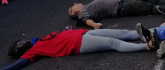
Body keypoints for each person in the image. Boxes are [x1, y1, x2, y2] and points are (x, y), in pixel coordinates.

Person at [4, 28, 154, 69]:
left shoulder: (39, 39)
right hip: (79, 44)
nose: (22, 42)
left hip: (83, 33)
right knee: (113, 42)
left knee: (123, 33)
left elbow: (58, 36)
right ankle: (146, 46)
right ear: (21, 50)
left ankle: (155, 32)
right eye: (19, 45)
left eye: (20, 41)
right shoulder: (32, 52)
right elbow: (17, 65)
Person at [68, 0, 165, 29]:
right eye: (74, 5)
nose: (76, 3)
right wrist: (94, 25)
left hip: (122, 1)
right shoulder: (82, 13)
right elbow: (86, 20)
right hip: (120, 7)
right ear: (73, 12)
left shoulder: (86, 6)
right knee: (148, 8)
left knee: (149, 0)